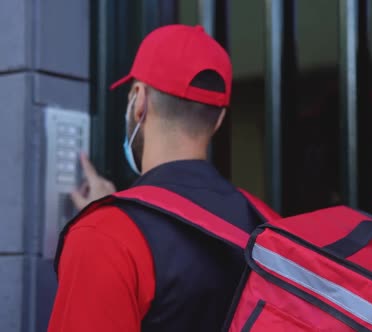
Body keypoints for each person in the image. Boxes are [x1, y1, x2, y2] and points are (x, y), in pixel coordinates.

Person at [48, 24, 263, 331]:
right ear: (219, 120)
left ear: (139, 101)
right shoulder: (266, 228)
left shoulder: (105, 237)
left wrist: (106, 223)